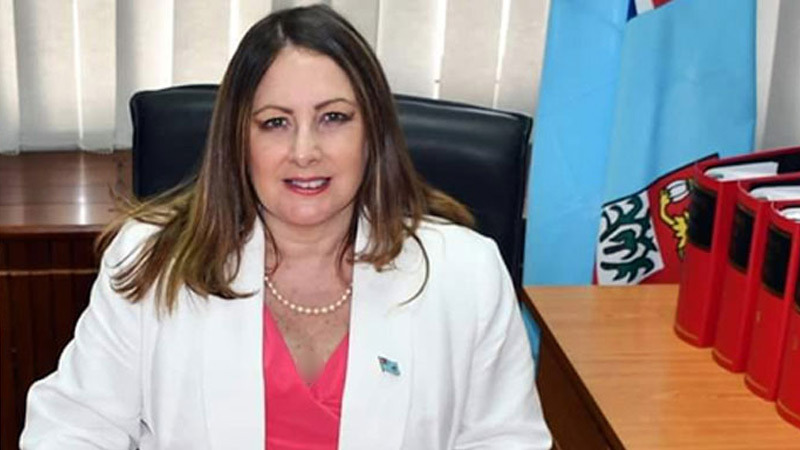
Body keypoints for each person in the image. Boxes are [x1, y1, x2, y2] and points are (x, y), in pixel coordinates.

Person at [20, 5, 551, 449]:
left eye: (333, 118)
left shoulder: (466, 274)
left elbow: (506, 440)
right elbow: (72, 427)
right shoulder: (152, 261)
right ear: (239, 140)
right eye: (275, 123)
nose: (304, 151)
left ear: (373, 132)